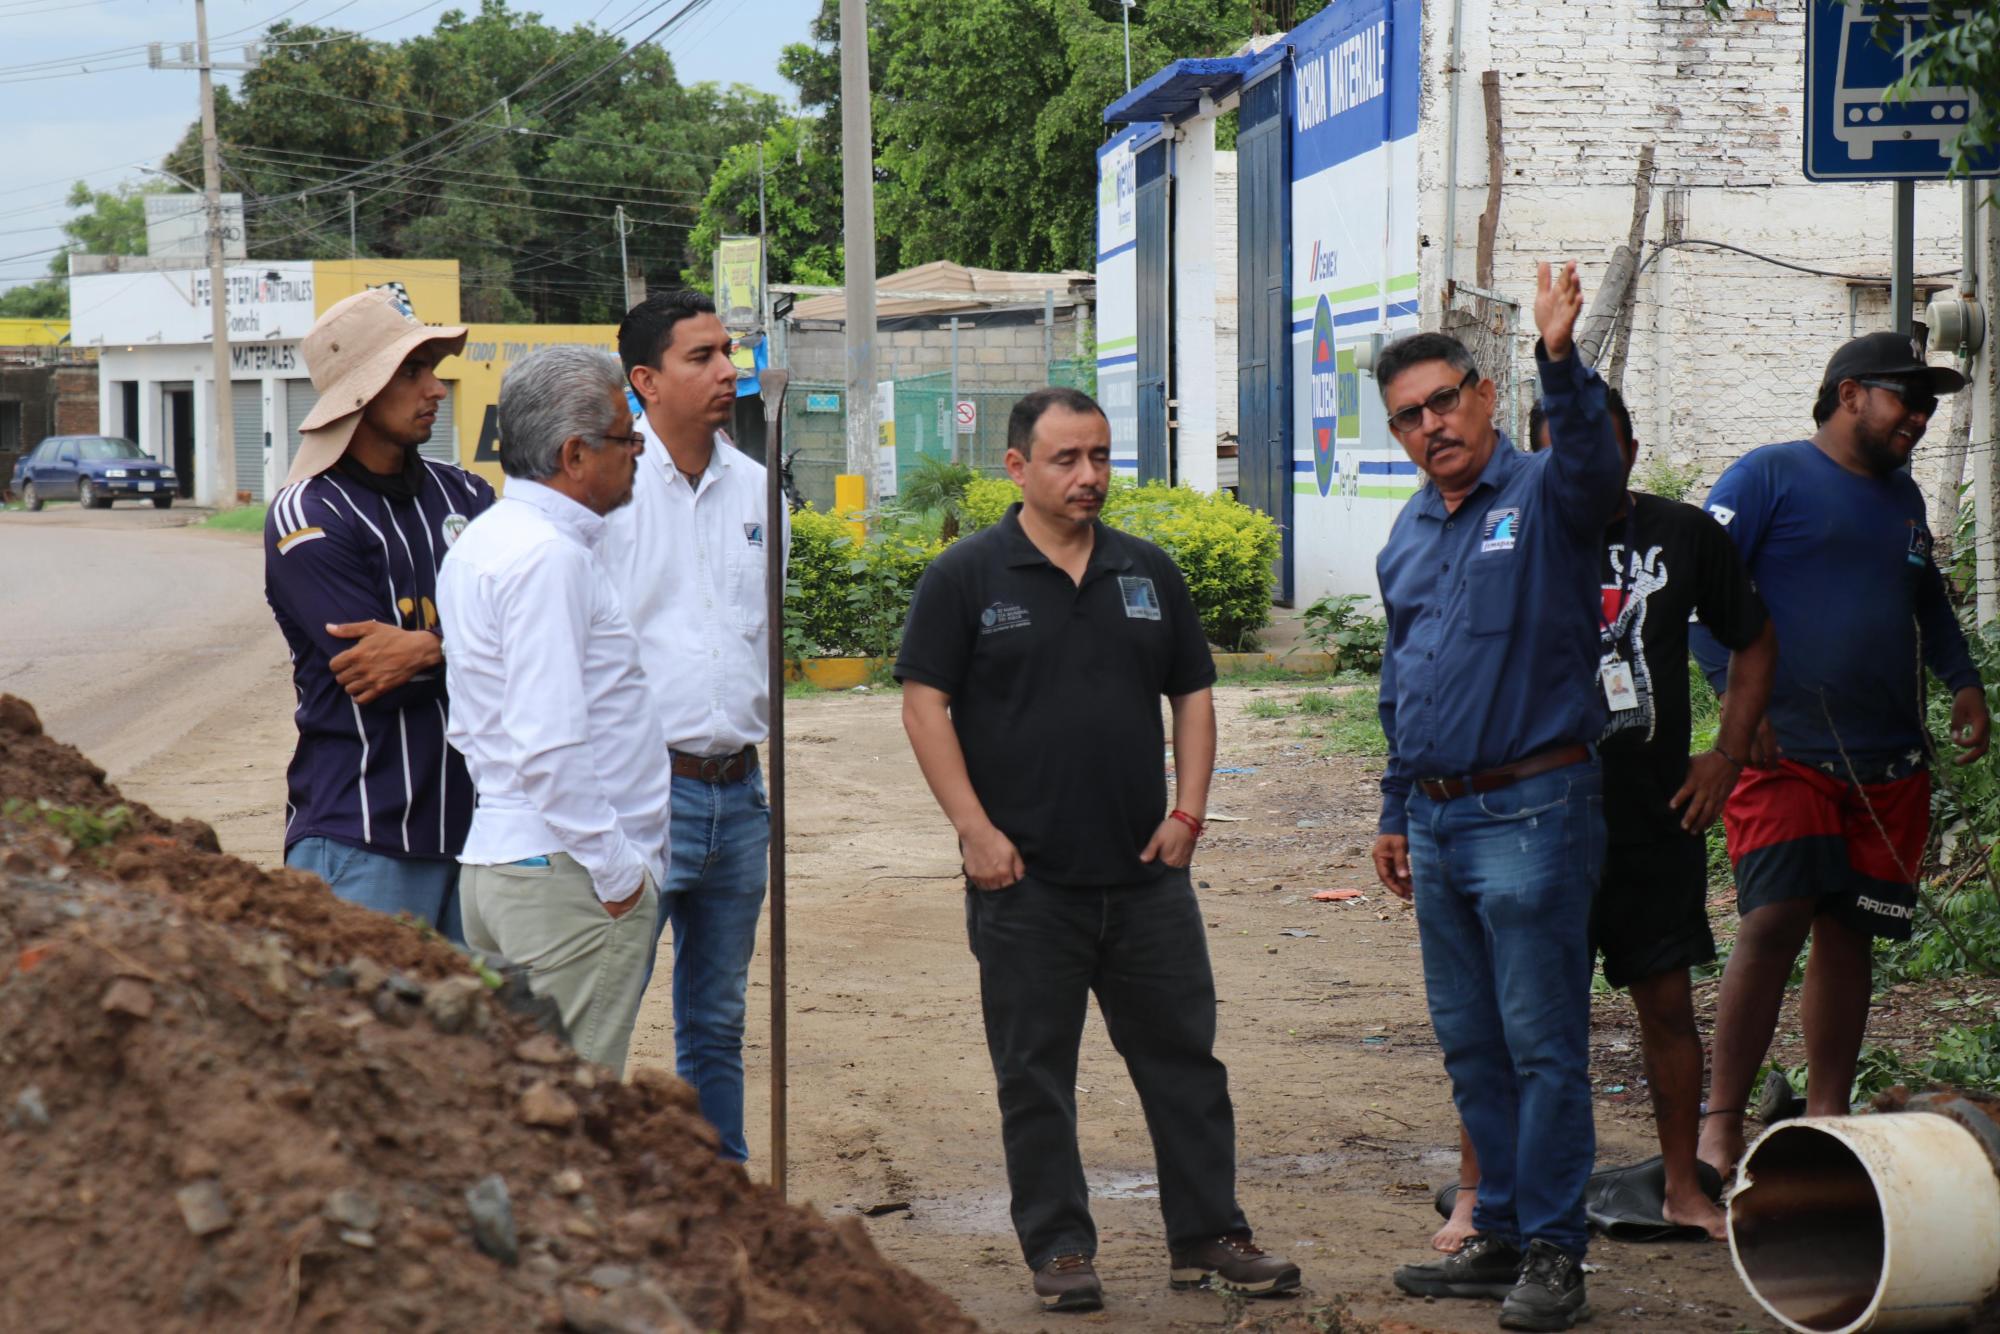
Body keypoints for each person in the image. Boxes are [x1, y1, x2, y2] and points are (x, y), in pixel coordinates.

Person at [895, 388, 1300, 1315]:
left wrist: (1190, 815)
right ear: (1016, 467)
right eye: (1068, 460)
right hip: (1025, 883)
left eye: (1102, 458)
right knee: (1036, 1075)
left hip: (1149, 880)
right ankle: (1063, 1248)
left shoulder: (1147, 571)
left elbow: (1191, 694)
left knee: (1186, 1067)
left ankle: (1208, 1237)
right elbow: (925, 705)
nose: (1089, 477)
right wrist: (975, 832)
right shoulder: (966, 577)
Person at [1433, 392, 1779, 1252]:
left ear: (1631, 446)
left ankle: (1679, 1189)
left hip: (1648, 812)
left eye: (1604, 446)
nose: (1587, 465)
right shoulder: (1504, 528)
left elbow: (1754, 637)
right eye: (1565, 450)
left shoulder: (1688, 534)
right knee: (1508, 1019)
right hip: (1531, 817)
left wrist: (1726, 755)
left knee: (1664, 1004)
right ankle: (1482, 1196)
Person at [1370, 262, 1623, 1333]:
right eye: (1407, 417)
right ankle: (1503, 1230)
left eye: (1442, 400)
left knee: (1541, 1043)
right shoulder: (1408, 533)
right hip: (1436, 818)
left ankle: (1558, 1252)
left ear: (1481, 395)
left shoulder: (1546, 498)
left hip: (1532, 810)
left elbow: (1597, 469)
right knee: (1470, 1041)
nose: (1430, 425)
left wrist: (1557, 361)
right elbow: (1400, 675)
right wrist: (1392, 805)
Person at [1692, 331, 1989, 1178]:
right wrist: (1734, 702)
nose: (1923, 418)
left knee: (1850, 933)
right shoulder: (1768, 475)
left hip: (1888, 761)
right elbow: (1701, 598)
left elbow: (1925, 597)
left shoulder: (1902, 499)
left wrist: (1963, 679)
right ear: (1850, 392)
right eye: (1908, 398)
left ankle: (1827, 1123)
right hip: (1784, 752)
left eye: (1931, 404)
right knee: (1774, 918)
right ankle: (1720, 1127)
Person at [437, 344, 669, 1074]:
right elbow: (549, 742)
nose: (636, 453)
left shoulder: (490, 540)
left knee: (523, 1103)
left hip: (513, 861)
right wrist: (618, 875)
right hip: (564, 874)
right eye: (626, 438)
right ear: (575, 453)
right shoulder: (547, 557)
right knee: (572, 1112)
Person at [602, 289, 786, 1164]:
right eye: (701, 357)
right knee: (606, 1005)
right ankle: (588, 1200)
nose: (727, 371)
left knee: (717, 1019)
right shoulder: (605, 491)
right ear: (645, 381)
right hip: (639, 792)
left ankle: (727, 1198)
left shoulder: (756, 485)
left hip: (738, 795)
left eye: (729, 352)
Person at [264, 287, 492, 936]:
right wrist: (478, 646)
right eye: (412, 372)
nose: (437, 390)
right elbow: (375, 681)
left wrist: (430, 648)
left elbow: (537, 639)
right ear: (359, 395)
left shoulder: (467, 494)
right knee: (362, 1037)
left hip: (478, 834)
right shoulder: (308, 515)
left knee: (476, 1041)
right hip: (360, 836)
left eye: (434, 370)